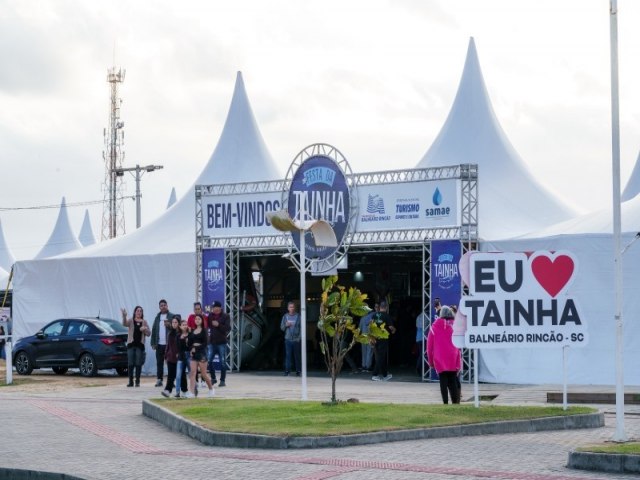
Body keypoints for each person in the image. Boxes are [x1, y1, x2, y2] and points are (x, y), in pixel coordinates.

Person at [427, 305, 461, 404]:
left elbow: (429, 348)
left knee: (443, 380)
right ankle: (455, 402)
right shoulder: (455, 326)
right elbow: (459, 345)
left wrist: (430, 362)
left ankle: (445, 402)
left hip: (439, 358)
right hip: (453, 356)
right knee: (453, 380)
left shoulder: (434, 327)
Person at [185, 314, 215, 398]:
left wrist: (196, 348)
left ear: (201, 320)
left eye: (199, 319)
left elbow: (205, 344)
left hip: (202, 354)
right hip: (193, 354)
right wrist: (191, 348)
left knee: (203, 374)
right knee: (192, 373)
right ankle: (191, 392)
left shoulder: (204, 330)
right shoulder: (192, 331)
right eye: (196, 319)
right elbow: (190, 344)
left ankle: (211, 389)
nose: (197, 320)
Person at [121, 306, 151, 387]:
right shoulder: (131, 320)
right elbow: (124, 324)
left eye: (140, 311)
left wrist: (145, 330)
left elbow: (149, 334)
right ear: (135, 312)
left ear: (142, 313)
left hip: (140, 345)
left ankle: (137, 381)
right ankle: (130, 381)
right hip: (131, 344)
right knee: (130, 363)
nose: (139, 312)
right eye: (137, 311)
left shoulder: (144, 322)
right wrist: (124, 316)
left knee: (138, 363)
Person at [151, 299, 175, 387]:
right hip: (159, 344)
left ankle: (171, 381)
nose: (163, 306)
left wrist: (169, 325)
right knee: (159, 363)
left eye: (164, 305)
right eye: (161, 305)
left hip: (169, 344)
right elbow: (153, 330)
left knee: (170, 363)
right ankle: (159, 380)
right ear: (159, 307)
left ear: (167, 306)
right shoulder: (157, 317)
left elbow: (176, 328)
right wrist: (153, 343)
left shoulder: (172, 316)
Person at [370, 300, 396, 382]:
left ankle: (385, 375)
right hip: (383, 338)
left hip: (375, 337)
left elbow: (370, 326)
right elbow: (391, 327)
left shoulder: (374, 315)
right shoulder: (386, 316)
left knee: (380, 356)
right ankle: (375, 374)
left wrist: (371, 338)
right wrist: (394, 330)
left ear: (380, 307)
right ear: (386, 307)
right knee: (380, 357)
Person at [207, 300, 231, 387]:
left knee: (223, 362)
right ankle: (213, 378)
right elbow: (207, 326)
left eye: (216, 307)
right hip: (212, 343)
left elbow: (228, 328)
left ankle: (222, 380)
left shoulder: (225, 316)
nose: (215, 309)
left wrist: (219, 325)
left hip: (221, 343)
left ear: (220, 308)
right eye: (213, 308)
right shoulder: (210, 315)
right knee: (209, 361)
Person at [161, 315, 181, 398]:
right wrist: (165, 356)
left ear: (179, 323)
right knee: (170, 375)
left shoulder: (180, 334)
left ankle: (182, 390)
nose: (174, 324)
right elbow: (168, 346)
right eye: (173, 322)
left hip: (179, 358)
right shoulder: (170, 333)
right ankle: (167, 390)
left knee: (179, 376)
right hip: (170, 357)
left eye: (176, 322)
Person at [280, 301, 301, 376]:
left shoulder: (298, 316)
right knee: (288, 356)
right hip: (288, 339)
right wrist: (286, 325)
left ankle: (298, 371)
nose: (292, 308)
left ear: (295, 308)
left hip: (296, 340)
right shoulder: (285, 317)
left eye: (293, 307)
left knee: (297, 356)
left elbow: (301, 328)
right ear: (288, 308)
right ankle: (287, 371)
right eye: (290, 307)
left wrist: (299, 338)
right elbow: (282, 328)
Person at [358, 303, 377, 372]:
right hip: (370, 336)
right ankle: (368, 366)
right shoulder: (372, 316)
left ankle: (364, 366)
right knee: (369, 352)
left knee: (364, 352)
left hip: (363, 337)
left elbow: (359, 329)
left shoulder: (362, 318)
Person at [174, 318, 190, 398]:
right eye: (183, 325)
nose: (185, 326)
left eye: (186, 325)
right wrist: (181, 339)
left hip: (189, 356)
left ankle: (193, 391)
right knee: (178, 375)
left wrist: (187, 341)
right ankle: (177, 392)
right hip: (181, 356)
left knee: (192, 374)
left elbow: (191, 346)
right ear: (180, 326)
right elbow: (178, 347)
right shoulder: (178, 336)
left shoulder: (190, 334)